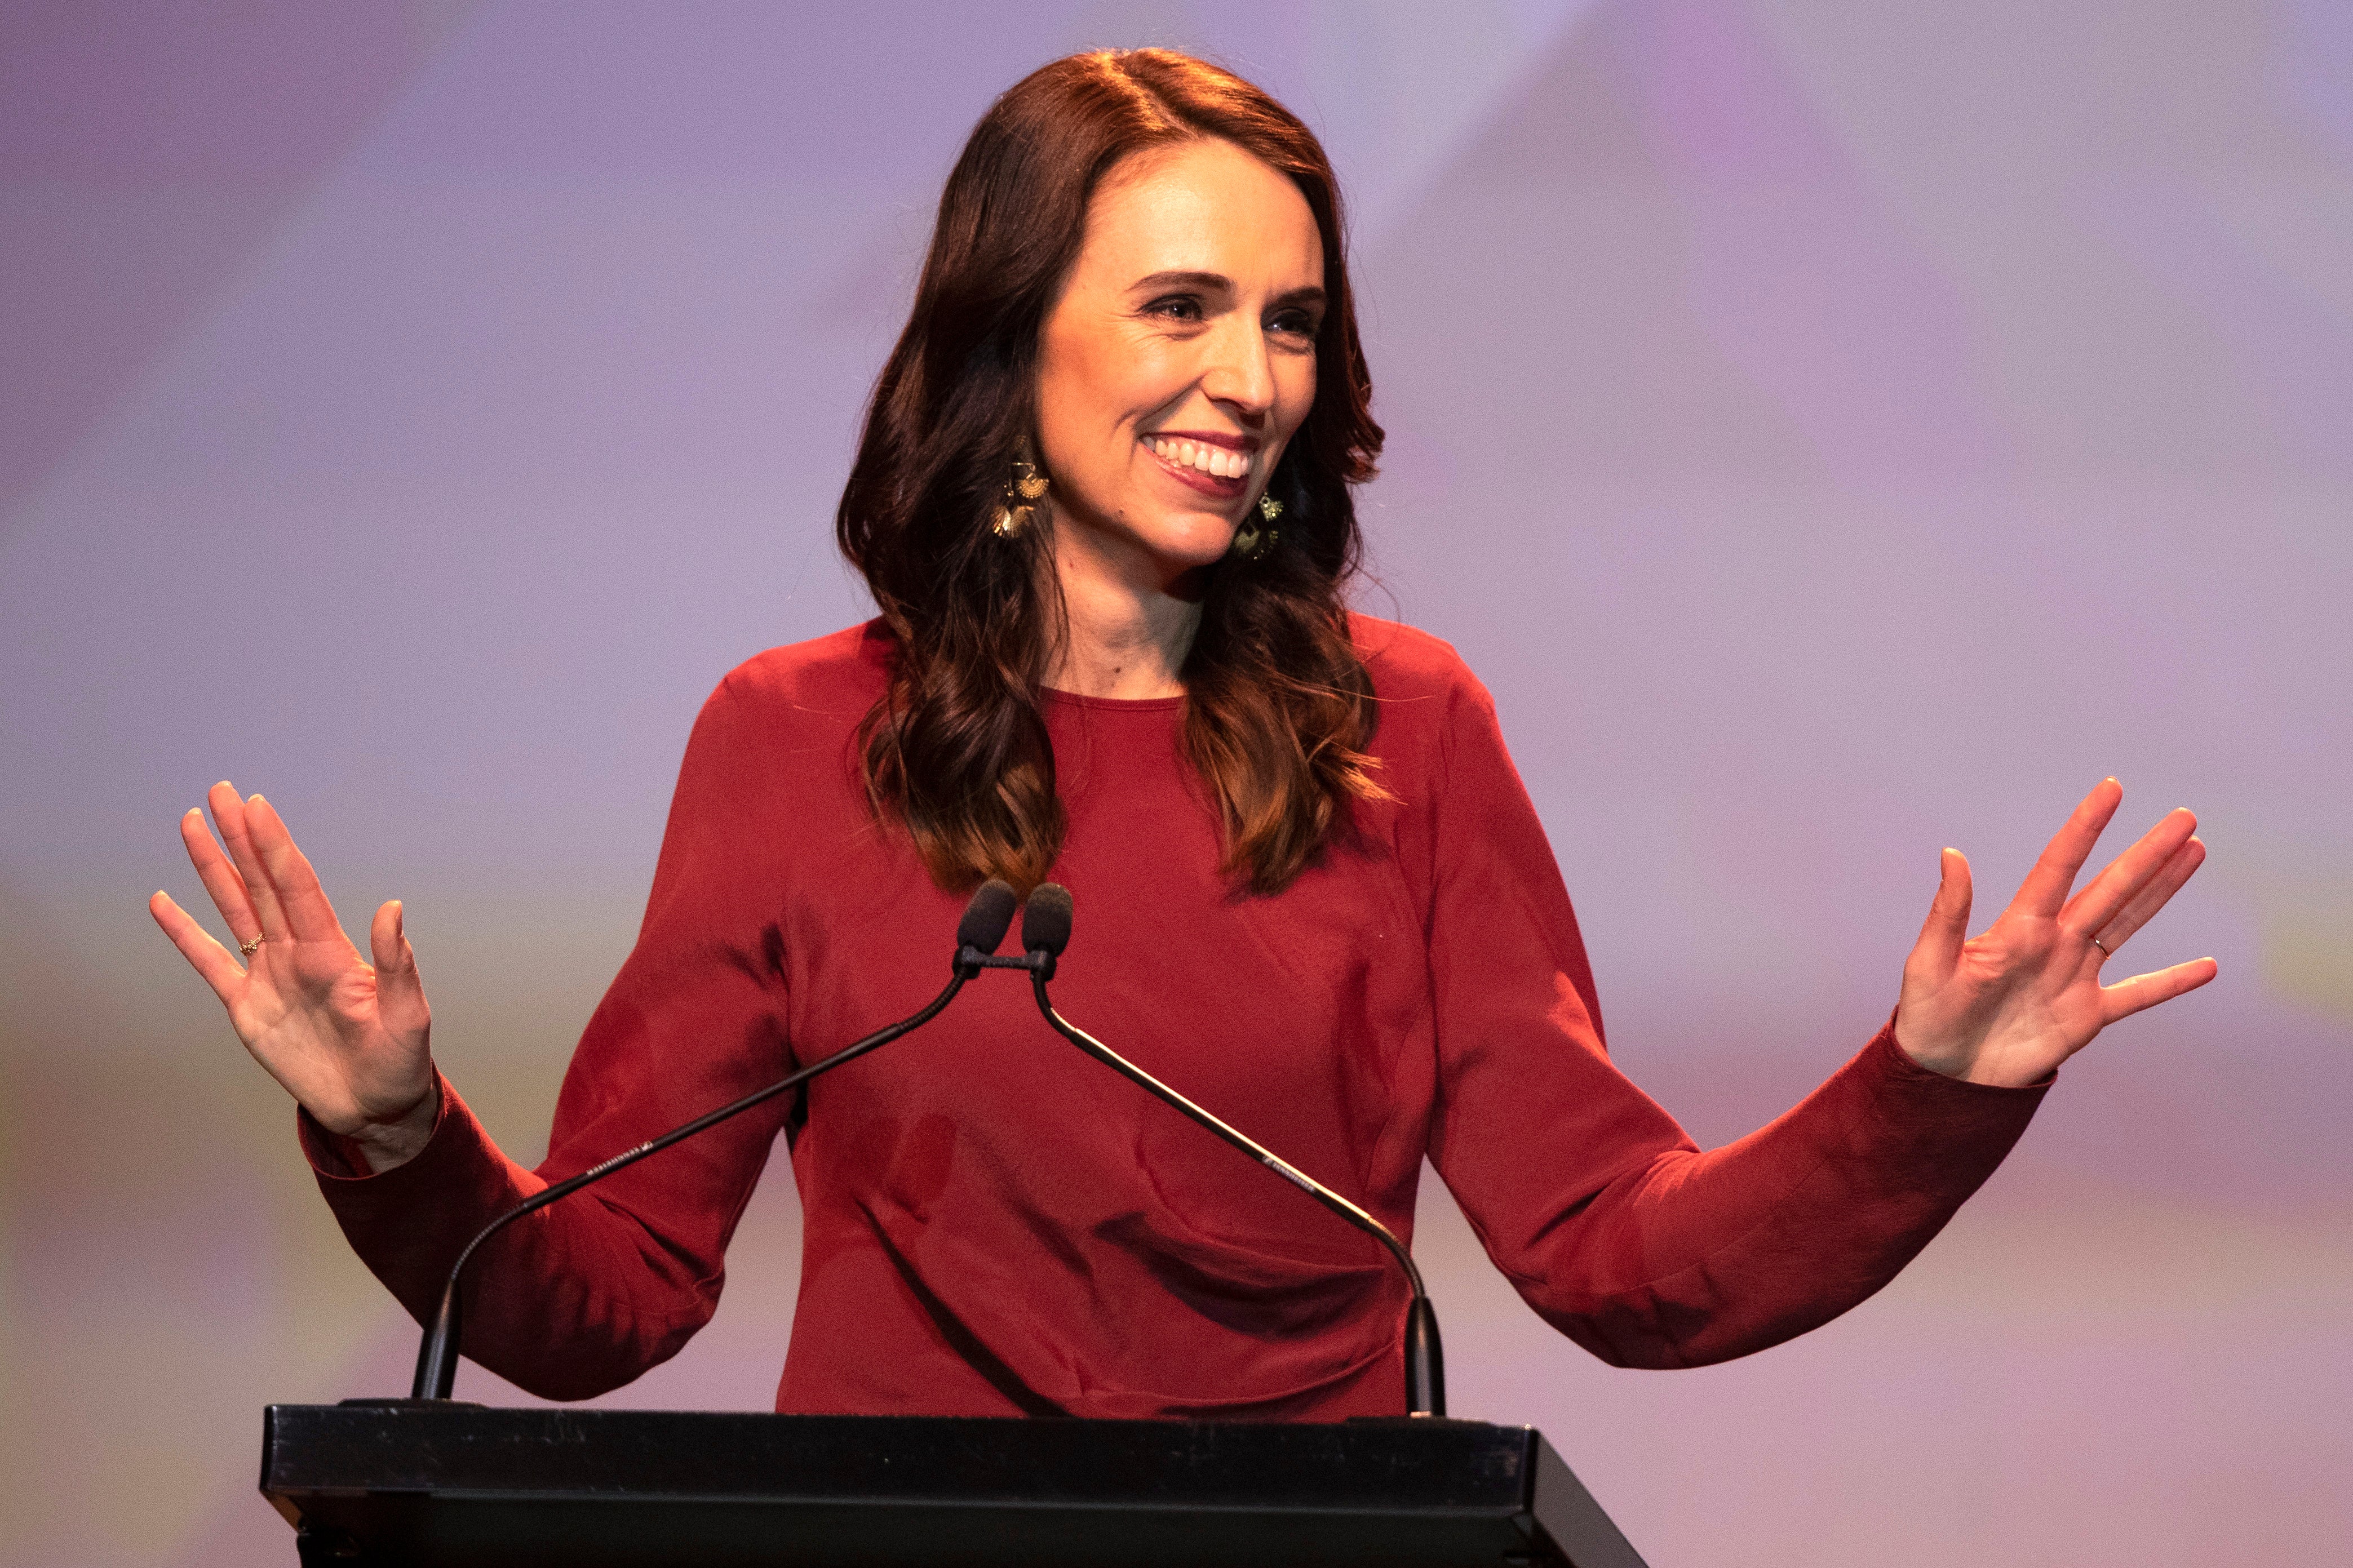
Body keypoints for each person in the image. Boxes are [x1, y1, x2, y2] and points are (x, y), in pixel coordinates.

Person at [149, 50, 2213, 1420]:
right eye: (1184, 308)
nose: (1256, 376)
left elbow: (1615, 1260)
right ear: (1012, 331)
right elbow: (600, 1306)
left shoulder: (1410, 739)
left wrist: (1925, 1088)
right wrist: (403, 1138)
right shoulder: (795, 743)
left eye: (1294, 319)